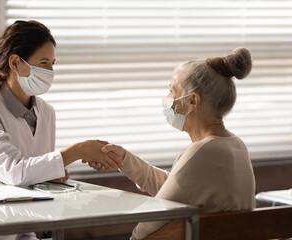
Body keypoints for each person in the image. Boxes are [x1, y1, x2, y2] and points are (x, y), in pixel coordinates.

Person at [0, 20, 122, 240]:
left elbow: (32, 172)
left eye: (53, 63)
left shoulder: (46, 111)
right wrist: (77, 151)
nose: (51, 71)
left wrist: (52, 175)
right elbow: (13, 171)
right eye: (43, 62)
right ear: (15, 62)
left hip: (29, 221)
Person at [89, 48, 256, 240]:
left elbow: (149, 225)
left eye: (172, 90)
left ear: (192, 100)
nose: (168, 99)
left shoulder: (202, 151)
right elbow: (179, 190)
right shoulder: (235, 145)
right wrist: (125, 160)